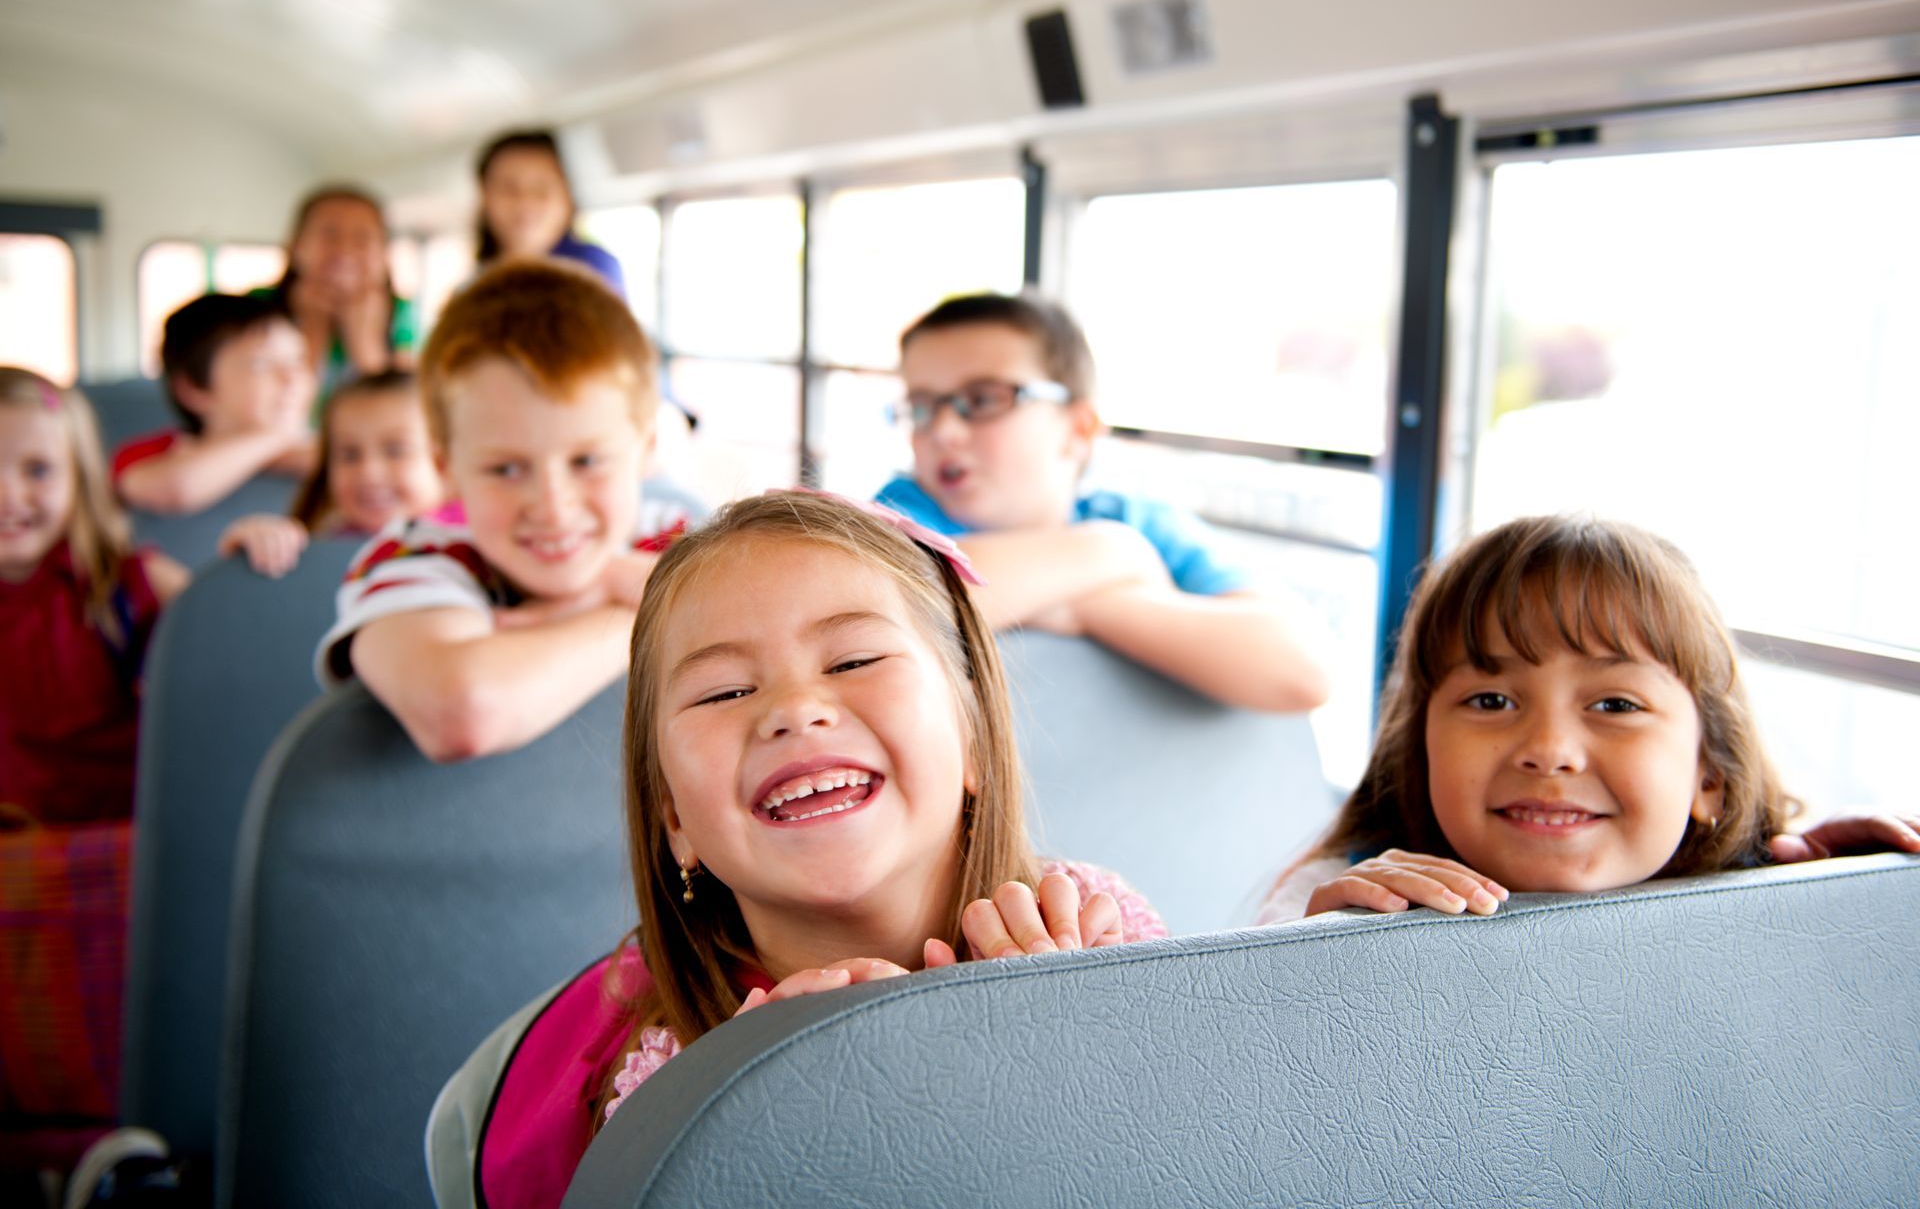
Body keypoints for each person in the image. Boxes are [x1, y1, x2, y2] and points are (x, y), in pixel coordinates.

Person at [462, 491, 1165, 1206]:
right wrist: (725, 1131)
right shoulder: (648, 1084)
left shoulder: (1099, 934)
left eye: (854, 659)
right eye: (724, 691)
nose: (794, 709)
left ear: (975, 736)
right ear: (673, 817)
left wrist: (1087, 1052)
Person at [1257, 514, 1920, 922]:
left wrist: (1837, 903)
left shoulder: (1755, 906)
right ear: (1421, 752)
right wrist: (1317, 960)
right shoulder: (1334, 900)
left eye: (1615, 705)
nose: (1549, 751)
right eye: (1491, 701)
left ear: (1710, 775)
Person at [876, 292, 1329, 713]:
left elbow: (1303, 671)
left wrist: (1084, 608)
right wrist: (1112, 555)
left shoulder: (1140, 522)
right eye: (922, 407)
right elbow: (889, 612)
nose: (942, 431)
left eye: (983, 400)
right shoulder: (896, 518)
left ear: (1078, 429)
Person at [315, 259, 692, 762]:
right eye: (507, 470)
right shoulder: (411, 560)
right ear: (447, 468)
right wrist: (649, 612)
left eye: (587, 460)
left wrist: (632, 589)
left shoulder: (674, 536)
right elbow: (464, 712)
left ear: (645, 450)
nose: (554, 506)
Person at [0, 368, 188, 822]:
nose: (8, 496)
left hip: (110, 849)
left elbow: (230, 639)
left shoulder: (127, 584)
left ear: (80, 481)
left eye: (38, 470)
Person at [217, 370, 443, 577]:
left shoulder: (467, 546)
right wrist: (259, 545)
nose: (369, 473)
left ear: (444, 460)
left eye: (396, 451)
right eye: (350, 455)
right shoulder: (306, 551)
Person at [112, 292, 316, 516]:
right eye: (262, 364)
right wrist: (277, 438)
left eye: (297, 360)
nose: (291, 377)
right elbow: (177, 489)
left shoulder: (318, 447)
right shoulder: (151, 456)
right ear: (195, 389)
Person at [259, 185, 415, 389]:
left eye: (362, 238)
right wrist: (311, 329)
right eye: (329, 235)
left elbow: (403, 412)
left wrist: (366, 349)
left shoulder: (404, 314)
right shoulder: (253, 309)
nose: (345, 250)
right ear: (295, 246)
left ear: (384, 254)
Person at [475, 129, 625, 296]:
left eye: (541, 189)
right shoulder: (474, 286)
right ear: (484, 198)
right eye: (509, 188)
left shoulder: (593, 271)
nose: (525, 201)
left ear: (568, 198)